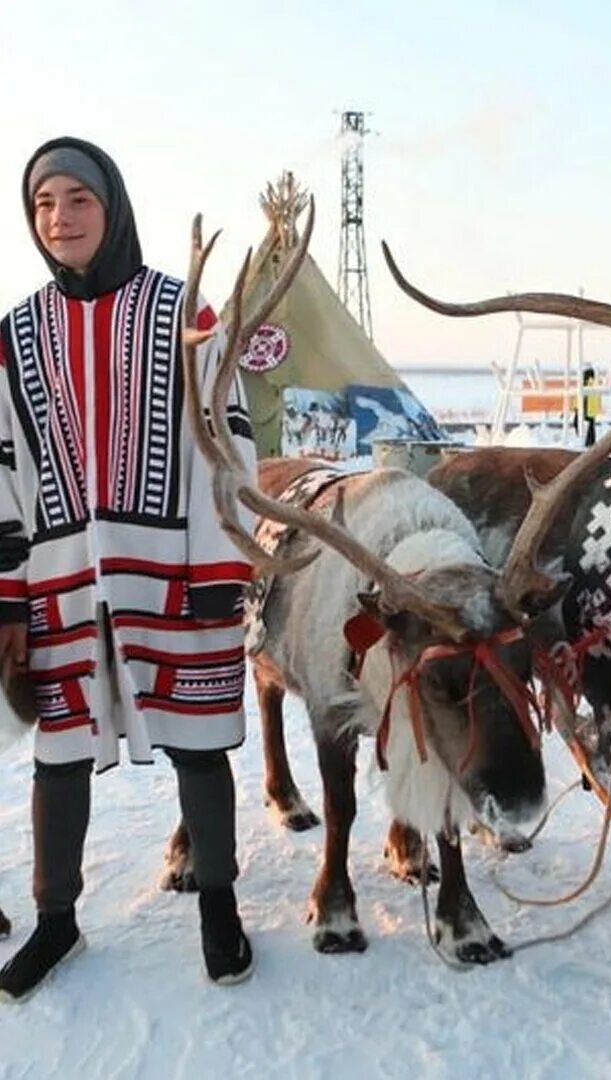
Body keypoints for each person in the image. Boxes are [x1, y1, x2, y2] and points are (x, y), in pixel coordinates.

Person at [0, 138, 256, 1002]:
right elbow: (2, 471)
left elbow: (230, 441)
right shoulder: (16, 334)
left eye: (77, 199)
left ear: (111, 208)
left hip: (178, 566)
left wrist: (225, 560)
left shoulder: (183, 310)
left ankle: (218, 901)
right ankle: (55, 918)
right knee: (60, 755)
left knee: (196, 741)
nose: (59, 218)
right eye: (42, 204)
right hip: (63, 577)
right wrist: (7, 597)